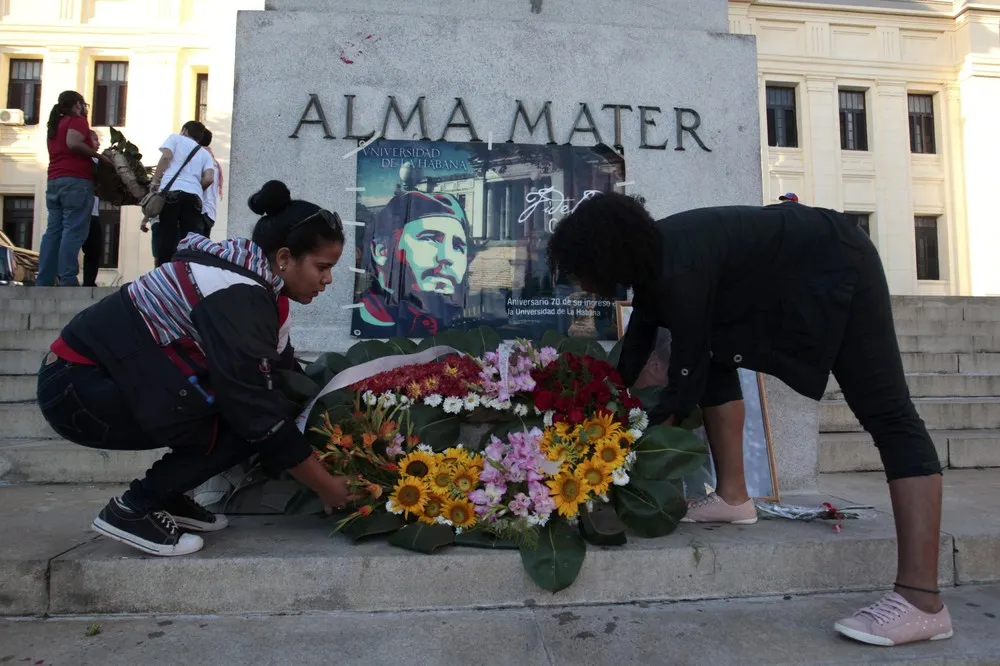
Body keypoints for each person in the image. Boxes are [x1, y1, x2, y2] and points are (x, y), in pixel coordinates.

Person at [546, 192, 951, 647]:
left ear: (602, 258)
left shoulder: (679, 267)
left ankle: (922, 602)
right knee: (715, 356)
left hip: (837, 260)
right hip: (793, 265)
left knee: (888, 413)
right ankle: (734, 498)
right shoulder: (657, 260)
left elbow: (682, 385)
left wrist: (619, 458)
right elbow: (635, 351)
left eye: (580, 271)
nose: (581, 284)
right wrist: (599, 417)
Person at [36, 180, 353, 557]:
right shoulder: (236, 292)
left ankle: (167, 495)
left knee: (263, 407)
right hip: (79, 388)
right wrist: (325, 485)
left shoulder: (261, 289)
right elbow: (254, 408)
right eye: (323, 267)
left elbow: (285, 380)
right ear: (284, 258)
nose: (328, 280)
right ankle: (135, 507)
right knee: (249, 420)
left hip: (105, 379)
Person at [353, 189, 473, 337]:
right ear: (382, 251)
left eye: (458, 246)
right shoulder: (362, 319)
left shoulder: (460, 325)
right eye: (429, 238)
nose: (447, 257)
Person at [37, 91, 112, 286]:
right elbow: (73, 142)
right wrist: (99, 157)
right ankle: (68, 278)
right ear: (77, 104)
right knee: (73, 230)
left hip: (55, 180)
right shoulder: (76, 121)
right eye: (83, 104)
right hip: (76, 181)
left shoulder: (55, 125)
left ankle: (44, 280)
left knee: (53, 232)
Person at [148, 120, 215, 266]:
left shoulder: (175, 139)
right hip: (194, 197)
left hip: (172, 193)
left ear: (184, 130)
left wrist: (155, 181)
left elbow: (166, 157)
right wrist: (195, 188)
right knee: (188, 238)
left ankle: (166, 270)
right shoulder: (205, 154)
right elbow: (209, 178)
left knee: (168, 235)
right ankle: (185, 269)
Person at [81, 130, 104, 287]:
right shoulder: (82, 160)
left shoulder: (98, 161)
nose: (98, 143)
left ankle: (89, 282)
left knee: (94, 250)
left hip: (93, 213)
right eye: (95, 139)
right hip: (80, 211)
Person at [198, 129, 223, 237]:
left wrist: (194, 192)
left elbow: (208, 180)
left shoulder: (200, 157)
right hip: (209, 213)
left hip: (200, 212)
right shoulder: (211, 159)